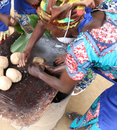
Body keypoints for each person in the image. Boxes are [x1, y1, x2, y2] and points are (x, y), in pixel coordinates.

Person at [23, 0, 117, 129]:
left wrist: (39, 74)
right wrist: (55, 69)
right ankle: (86, 120)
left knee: (107, 121)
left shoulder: (80, 48)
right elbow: (91, 57)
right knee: (105, 102)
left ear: (64, 28)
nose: (49, 32)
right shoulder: (106, 6)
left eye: (49, 28)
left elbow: (65, 86)